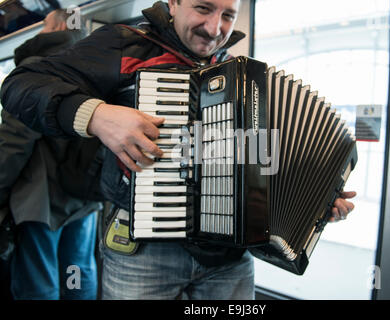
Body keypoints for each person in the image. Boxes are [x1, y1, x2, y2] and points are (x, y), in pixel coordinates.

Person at [0, 0, 356, 299]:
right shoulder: (124, 44)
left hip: (231, 262)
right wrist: (97, 115)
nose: (215, 28)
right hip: (145, 254)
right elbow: (20, 86)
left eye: (228, 15)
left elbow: (259, 159)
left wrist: (316, 199)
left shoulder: (238, 73)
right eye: (203, 8)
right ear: (173, 3)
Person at [0, 8, 101, 300]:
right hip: (82, 196)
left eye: (43, 25)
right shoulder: (94, 68)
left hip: (40, 198)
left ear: (55, 26)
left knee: (40, 282)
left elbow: (15, 140)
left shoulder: (36, 69)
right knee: (77, 275)